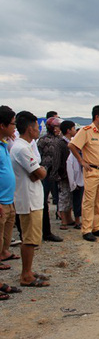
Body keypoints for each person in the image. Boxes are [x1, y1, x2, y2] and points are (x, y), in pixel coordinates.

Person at [10, 111, 50, 287]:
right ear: (29, 129)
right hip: (28, 198)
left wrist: (39, 171)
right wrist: (41, 170)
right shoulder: (22, 148)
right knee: (29, 238)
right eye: (36, 127)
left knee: (32, 237)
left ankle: (28, 270)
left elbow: (36, 173)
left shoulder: (25, 146)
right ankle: (25, 275)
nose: (38, 130)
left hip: (32, 195)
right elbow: (39, 172)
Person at [68, 105, 99, 242]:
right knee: (89, 201)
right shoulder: (86, 131)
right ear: (97, 117)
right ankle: (86, 229)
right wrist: (81, 161)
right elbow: (72, 145)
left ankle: (96, 227)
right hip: (92, 170)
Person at [0, 106, 23, 299]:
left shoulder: (4, 144)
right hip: (0, 202)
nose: (15, 128)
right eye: (13, 123)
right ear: (2, 125)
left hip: (8, 201)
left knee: (3, 243)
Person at [36, 117, 64, 242]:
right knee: (44, 199)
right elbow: (38, 155)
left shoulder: (60, 140)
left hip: (57, 171)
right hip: (45, 172)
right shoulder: (43, 140)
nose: (58, 129)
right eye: (57, 127)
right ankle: (43, 228)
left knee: (60, 195)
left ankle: (61, 217)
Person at [52, 120, 75, 229]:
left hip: (70, 173)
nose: (75, 130)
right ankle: (63, 220)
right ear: (68, 130)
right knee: (63, 196)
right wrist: (57, 173)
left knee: (69, 196)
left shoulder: (70, 142)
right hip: (63, 173)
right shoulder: (61, 143)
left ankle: (68, 218)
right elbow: (57, 159)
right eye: (73, 128)